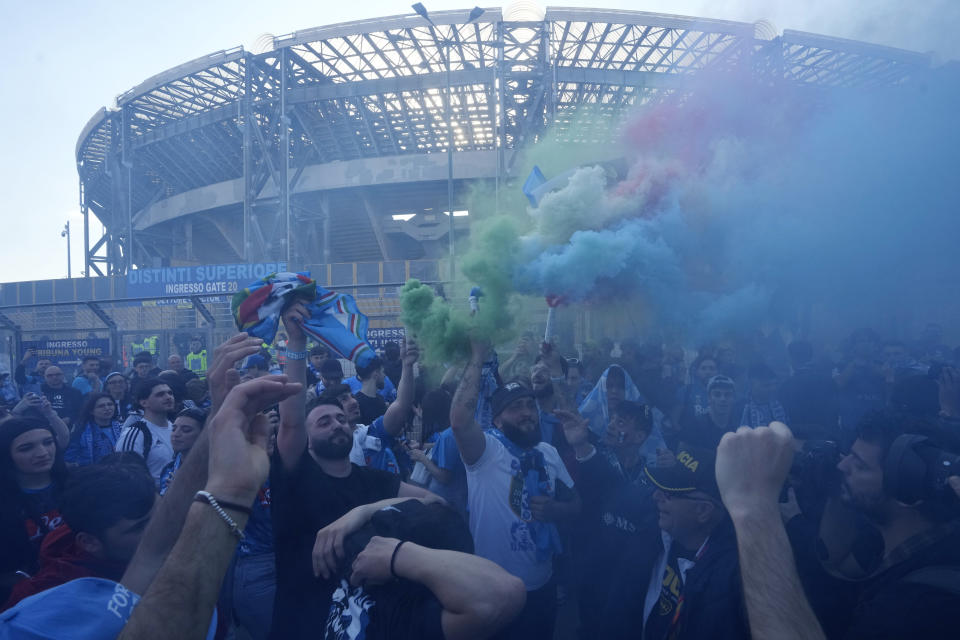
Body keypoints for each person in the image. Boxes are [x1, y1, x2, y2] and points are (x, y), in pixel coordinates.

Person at [271, 300, 436, 638]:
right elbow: (290, 421)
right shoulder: (296, 475)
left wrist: (363, 512)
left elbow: (436, 505)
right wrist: (298, 342)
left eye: (342, 419)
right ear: (307, 438)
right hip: (302, 624)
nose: (337, 425)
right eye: (323, 421)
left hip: (364, 625)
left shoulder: (373, 482)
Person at [451, 337, 580, 640]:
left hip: (542, 587)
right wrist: (477, 357)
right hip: (493, 589)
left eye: (529, 405)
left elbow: (577, 504)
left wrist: (555, 510)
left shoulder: (548, 451)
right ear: (496, 419)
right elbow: (459, 421)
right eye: (515, 408)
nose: (526, 413)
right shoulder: (486, 452)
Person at [319, 498, 525, 640]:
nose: (374, 539)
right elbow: (431, 500)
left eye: (385, 534)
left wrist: (398, 555)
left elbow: (508, 593)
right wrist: (362, 511)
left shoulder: (402, 615)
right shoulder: (353, 559)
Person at [600, 446, 749, 640]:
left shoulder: (734, 583)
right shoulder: (653, 528)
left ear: (703, 511)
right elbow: (607, 489)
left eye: (668, 493)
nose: (656, 496)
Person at [560, 400, 659, 636]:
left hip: (631, 583)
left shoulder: (653, 478)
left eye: (621, 422)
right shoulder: (591, 459)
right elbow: (596, 473)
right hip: (591, 571)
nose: (612, 425)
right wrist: (581, 445)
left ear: (639, 436)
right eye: (613, 419)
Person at [1, 461, 156, 610]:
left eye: (160, 516)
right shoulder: (40, 600)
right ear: (89, 542)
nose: (160, 530)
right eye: (139, 527)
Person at [0, 417, 70, 603]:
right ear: (7, 455)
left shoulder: (78, 484)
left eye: (48, 442)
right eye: (26, 448)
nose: (42, 453)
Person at [114, 378, 176, 490]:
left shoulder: (176, 428)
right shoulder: (135, 433)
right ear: (144, 402)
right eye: (160, 394)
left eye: (170, 393)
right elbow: (125, 476)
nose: (168, 397)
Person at [675, 374, 740, 452]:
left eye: (728, 395)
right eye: (717, 394)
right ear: (709, 398)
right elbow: (681, 455)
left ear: (734, 399)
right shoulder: (694, 425)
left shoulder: (739, 427)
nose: (723, 399)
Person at [65, 392, 125, 467]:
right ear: (91, 411)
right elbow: (70, 459)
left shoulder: (123, 428)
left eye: (110, 404)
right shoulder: (81, 431)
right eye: (101, 406)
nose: (107, 408)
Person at [159, 408, 206, 494]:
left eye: (186, 430)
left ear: (202, 434)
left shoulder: (211, 470)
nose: (176, 434)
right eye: (174, 429)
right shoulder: (168, 469)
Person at [739, 362, 788, 428]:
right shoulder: (741, 408)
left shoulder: (781, 403)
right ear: (751, 384)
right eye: (766, 385)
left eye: (774, 384)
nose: (772, 389)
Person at [352, 356, 389, 425]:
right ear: (376, 374)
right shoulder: (356, 404)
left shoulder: (381, 400)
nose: (384, 376)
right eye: (383, 372)